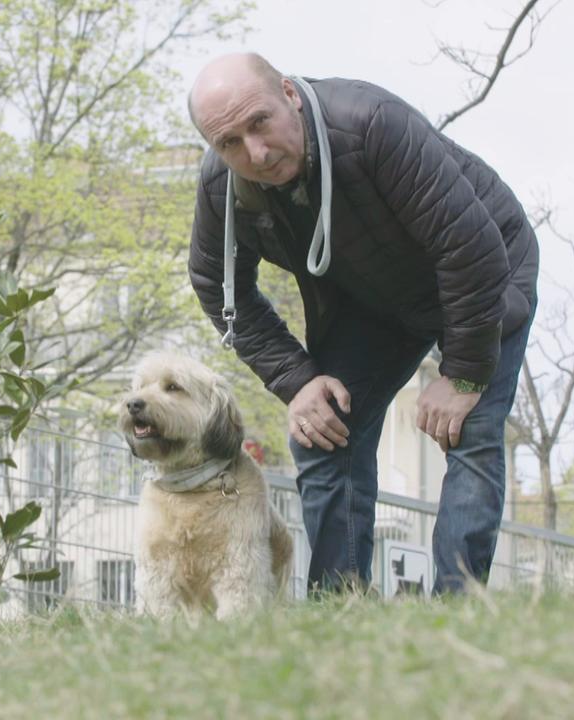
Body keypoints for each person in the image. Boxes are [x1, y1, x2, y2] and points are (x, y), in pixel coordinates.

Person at [186, 53, 539, 595]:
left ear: (290, 94)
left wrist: (464, 375)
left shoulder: (371, 125)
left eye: (260, 122)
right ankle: (338, 602)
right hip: (372, 298)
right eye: (228, 142)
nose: (253, 153)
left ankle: (456, 607)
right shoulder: (223, 187)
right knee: (323, 430)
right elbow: (217, 285)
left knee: (468, 429)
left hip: (483, 272)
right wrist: (297, 381)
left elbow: (469, 249)